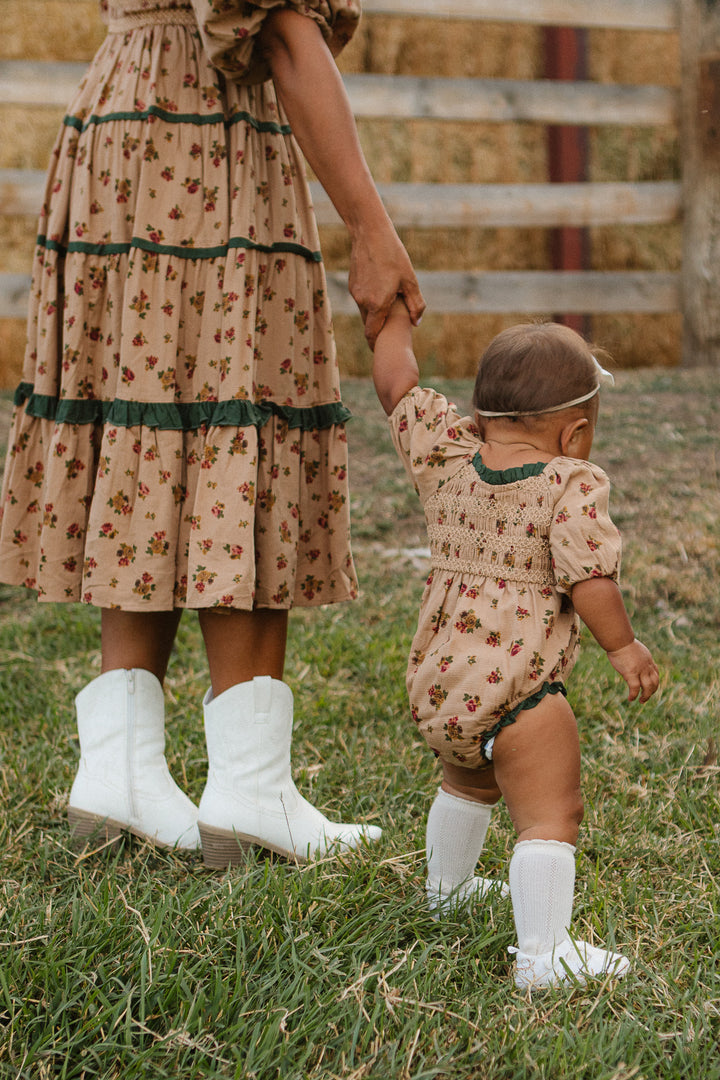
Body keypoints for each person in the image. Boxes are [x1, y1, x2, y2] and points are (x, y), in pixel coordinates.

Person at [0, 1, 424, 865]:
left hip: (128, 120)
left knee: (151, 415)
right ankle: (249, 787)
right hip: (203, 126)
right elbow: (271, 28)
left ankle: (119, 767)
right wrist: (372, 229)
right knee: (242, 405)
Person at [373, 309, 659, 990]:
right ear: (577, 431)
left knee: (466, 780)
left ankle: (446, 888)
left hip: (443, 679)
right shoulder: (569, 482)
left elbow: (394, 385)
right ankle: (543, 953)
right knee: (552, 812)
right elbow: (590, 578)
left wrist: (387, 322)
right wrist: (623, 648)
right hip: (521, 690)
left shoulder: (444, 455)